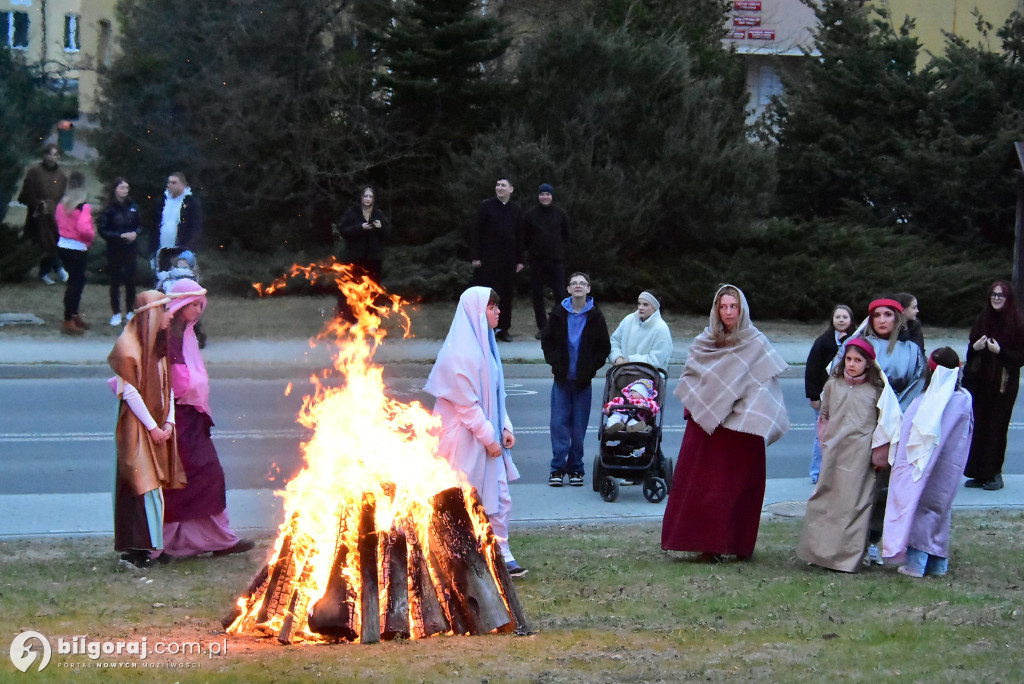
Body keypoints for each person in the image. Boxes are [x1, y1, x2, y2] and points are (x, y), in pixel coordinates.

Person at [661, 284, 789, 561]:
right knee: (702, 488)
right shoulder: (704, 341)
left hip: (740, 432)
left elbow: (764, 388)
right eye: (724, 306)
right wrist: (705, 406)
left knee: (737, 491)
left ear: (742, 309)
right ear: (716, 310)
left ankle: (738, 544)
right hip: (707, 429)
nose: (729, 312)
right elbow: (690, 378)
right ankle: (707, 547)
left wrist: (740, 412)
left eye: (734, 306)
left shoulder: (756, 343)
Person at [423, 287, 526, 577]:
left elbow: (496, 393)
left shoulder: (487, 346)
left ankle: (501, 552)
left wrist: (504, 426)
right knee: (466, 495)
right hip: (463, 439)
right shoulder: (458, 353)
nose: (498, 312)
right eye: (492, 308)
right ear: (478, 313)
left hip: (485, 435)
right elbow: (467, 405)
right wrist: (489, 438)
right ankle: (457, 554)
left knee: (500, 495)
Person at [160, 280, 254, 558]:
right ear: (179, 306)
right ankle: (160, 545)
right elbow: (176, 381)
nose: (199, 309)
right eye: (193, 304)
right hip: (177, 418)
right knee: (188, 479)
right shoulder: (169, 336)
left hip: (191, 417)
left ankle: (217, 540)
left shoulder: (185, 333)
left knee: (203, 478)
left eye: (201, 304)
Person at [796, 338, 897, 572]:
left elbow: (886, 424)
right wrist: (825, 442)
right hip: (834, 451)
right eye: (849, 359)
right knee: (826, 501)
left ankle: (847, 558)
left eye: (858, 360)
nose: (852, 365)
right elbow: (825, 416)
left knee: (853, 505)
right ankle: (819, 552)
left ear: (868, 364)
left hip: (860, 455)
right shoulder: (833, 385)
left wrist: (878, 454)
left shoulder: (876, 390)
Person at [108, 290, 187, 568]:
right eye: (164, 310)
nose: (170, 316)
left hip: (156, 425)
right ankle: (138, 547)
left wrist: (170, 422)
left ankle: (153, 545)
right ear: (152, 314)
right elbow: (129, 392)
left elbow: (168, 388)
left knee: (155, 489)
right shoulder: (130, 348)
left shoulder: (159, 348)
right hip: (137, 428)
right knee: (141, 485)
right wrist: (153, 427)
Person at [883, 347, 974, 577]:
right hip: (950, 468)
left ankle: (916, 564)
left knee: (920, 509)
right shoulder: (964, 399)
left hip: (923, 467)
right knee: (940, 511)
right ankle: (938, 563)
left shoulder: (926, 402)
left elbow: (908, 434)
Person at [540, 272, 611, 487]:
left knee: (578, 427)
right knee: (559, 424)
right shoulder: (559, 313)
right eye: (574, 283)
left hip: (582, 382)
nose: (578, 286)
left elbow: (603, 347)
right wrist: (555, 364)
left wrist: (590, 369)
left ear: (588, 289)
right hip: (562, 380)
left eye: (583, 283)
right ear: (568, 289)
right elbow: (547, 341)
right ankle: (557, 469)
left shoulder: (595, 316)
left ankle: (576, 468)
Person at [962, 280, 1024, 491]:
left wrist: (1001, 352)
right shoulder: (983, 319)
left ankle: (995, 474)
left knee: (996, 429)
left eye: (1001, 295)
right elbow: (971, 351)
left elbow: (1020, 357)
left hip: (1002, 386)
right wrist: (976, 347)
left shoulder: (1016, 322)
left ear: (1008, 299)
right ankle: (979, 474)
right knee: (978, 428)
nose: (996, 298)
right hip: (981, 383)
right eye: (993, 295)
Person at [804, 304, 854, 483]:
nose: (841, 320)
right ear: (832, 320)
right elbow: (812, 369)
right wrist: (813, 396)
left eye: (845, 317)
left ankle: (841, 473)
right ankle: (817, 473)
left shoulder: (857, 340)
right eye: (838, 317)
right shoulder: (823, 342)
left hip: (849, 396)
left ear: (851, 320)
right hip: (826, 396)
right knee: (822, 437)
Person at [471, 177, 523, 342]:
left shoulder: (516, 209)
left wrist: (520, 260)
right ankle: (486, 328)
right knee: (488, 295)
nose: (499, 188)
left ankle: (503, 328)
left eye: (503, 185)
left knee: (506, 294)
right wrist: (476, 256)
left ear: (511, 189)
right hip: (488, 259)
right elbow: (477, 232)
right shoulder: (486, 206)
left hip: (508, 259)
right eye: (497, 185)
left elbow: (520, 235)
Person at [522, 183, 570, 338]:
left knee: (560, 293)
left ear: (552, 196)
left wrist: (560, 252)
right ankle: (542, 327)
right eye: (542, 194)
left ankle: (559, 325)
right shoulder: (530, 215)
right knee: (537, 294)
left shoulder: (560, 214)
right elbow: (525, 238)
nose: (545, 197)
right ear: (538, 196)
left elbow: (567, 236)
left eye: (547, 194)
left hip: (556, 260)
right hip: (536, 261)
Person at [18, 143, 68, 285]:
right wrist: (39, 204)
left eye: (55, 154)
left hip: (54, 216)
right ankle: (55, 269)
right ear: (44, 155)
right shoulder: (34, 172)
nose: (52, 157)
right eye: (50, 154)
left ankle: (46, 271)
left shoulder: (62, 175)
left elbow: (62, 195)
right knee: (43, 241)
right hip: (37, 215)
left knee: (53, 241)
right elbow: (26, 193)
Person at [54, 172, 96, 335]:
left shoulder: (61, 204)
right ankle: (69, 318)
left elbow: (58, 222)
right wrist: (91, 237)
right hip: (77, 247)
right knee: (76, 284)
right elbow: (84, 229)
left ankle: (72, 314)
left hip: (63, 245)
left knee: (73, 282)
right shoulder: (83, 206)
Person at [98, 177, 141, 326]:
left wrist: (135, 233)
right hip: (115, 248)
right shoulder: (109, 209)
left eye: (126, 188)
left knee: (130, 280)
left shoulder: (133, 206)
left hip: (130, 248)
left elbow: (139, 225)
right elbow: (103, 230)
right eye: (122, 188)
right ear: (115, 189)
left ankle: (130, 310)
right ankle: (116, 312)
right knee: (115, 281)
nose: (124, 191)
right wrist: (119, 236)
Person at [335, 185, 391, 285]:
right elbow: (343, 231)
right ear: (360, 197)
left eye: (371, 196)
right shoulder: (352, 212)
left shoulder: (378, 213)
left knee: (373, 289)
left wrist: (380, 227)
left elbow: (387, 234)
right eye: (365, 196)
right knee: (353, 287)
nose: (368, 199)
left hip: (374, 259)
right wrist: (360, 228)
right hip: (354, 258)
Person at [608, 290, 674, 370]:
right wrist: (617, 358)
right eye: (639, 304)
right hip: (622, 372)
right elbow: (614, 342)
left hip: (650, 376)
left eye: (645, 305)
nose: (640, 307)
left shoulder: (661, 328)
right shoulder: (628, 320)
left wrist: (630, 360)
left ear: (655, 307)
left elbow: (656, 359)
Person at [151, 171, 202, 272]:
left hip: (182, 251)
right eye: (168, 182)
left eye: (174, 183)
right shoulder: (161, 201)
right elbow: (154, 226)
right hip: (162, 251)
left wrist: (187, 248)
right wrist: (152, 250)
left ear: (183, 185)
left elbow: (196, 228)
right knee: (162, 282)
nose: (169, 185)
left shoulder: (191, 203)